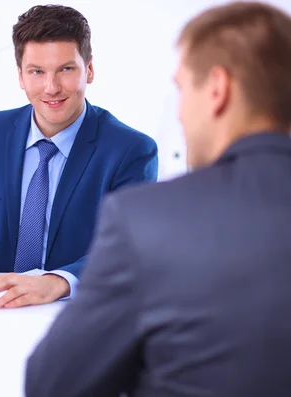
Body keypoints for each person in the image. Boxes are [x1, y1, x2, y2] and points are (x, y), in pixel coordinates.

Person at [25, 1, 291, 396]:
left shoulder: (147, 219)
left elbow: (53, 384)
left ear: (217, 90)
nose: (181, 113)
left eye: (183, 88)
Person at [0, 4, 158, 309]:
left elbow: (128, 248)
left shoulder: (131, 150)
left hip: (78, 312)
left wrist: (58, 282)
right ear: (21, 76)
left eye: (66, 69)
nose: (51, 88)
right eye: (37, 72)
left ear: (88, 70)